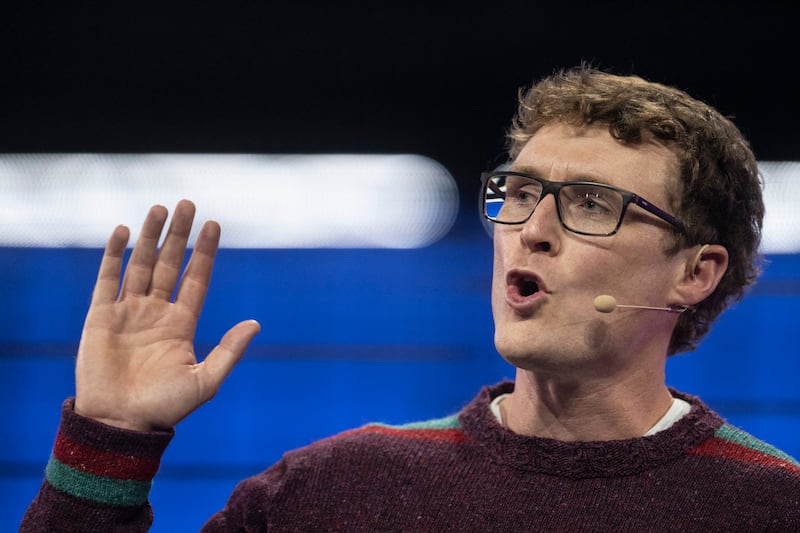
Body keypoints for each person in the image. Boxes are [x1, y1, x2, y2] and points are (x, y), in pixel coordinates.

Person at [21, 65, 800, 531]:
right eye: (519, 193)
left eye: (591, 204)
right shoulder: (331, 492)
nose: (530, 230)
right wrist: (111, 438)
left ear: (694, 273)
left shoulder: (771, 508)